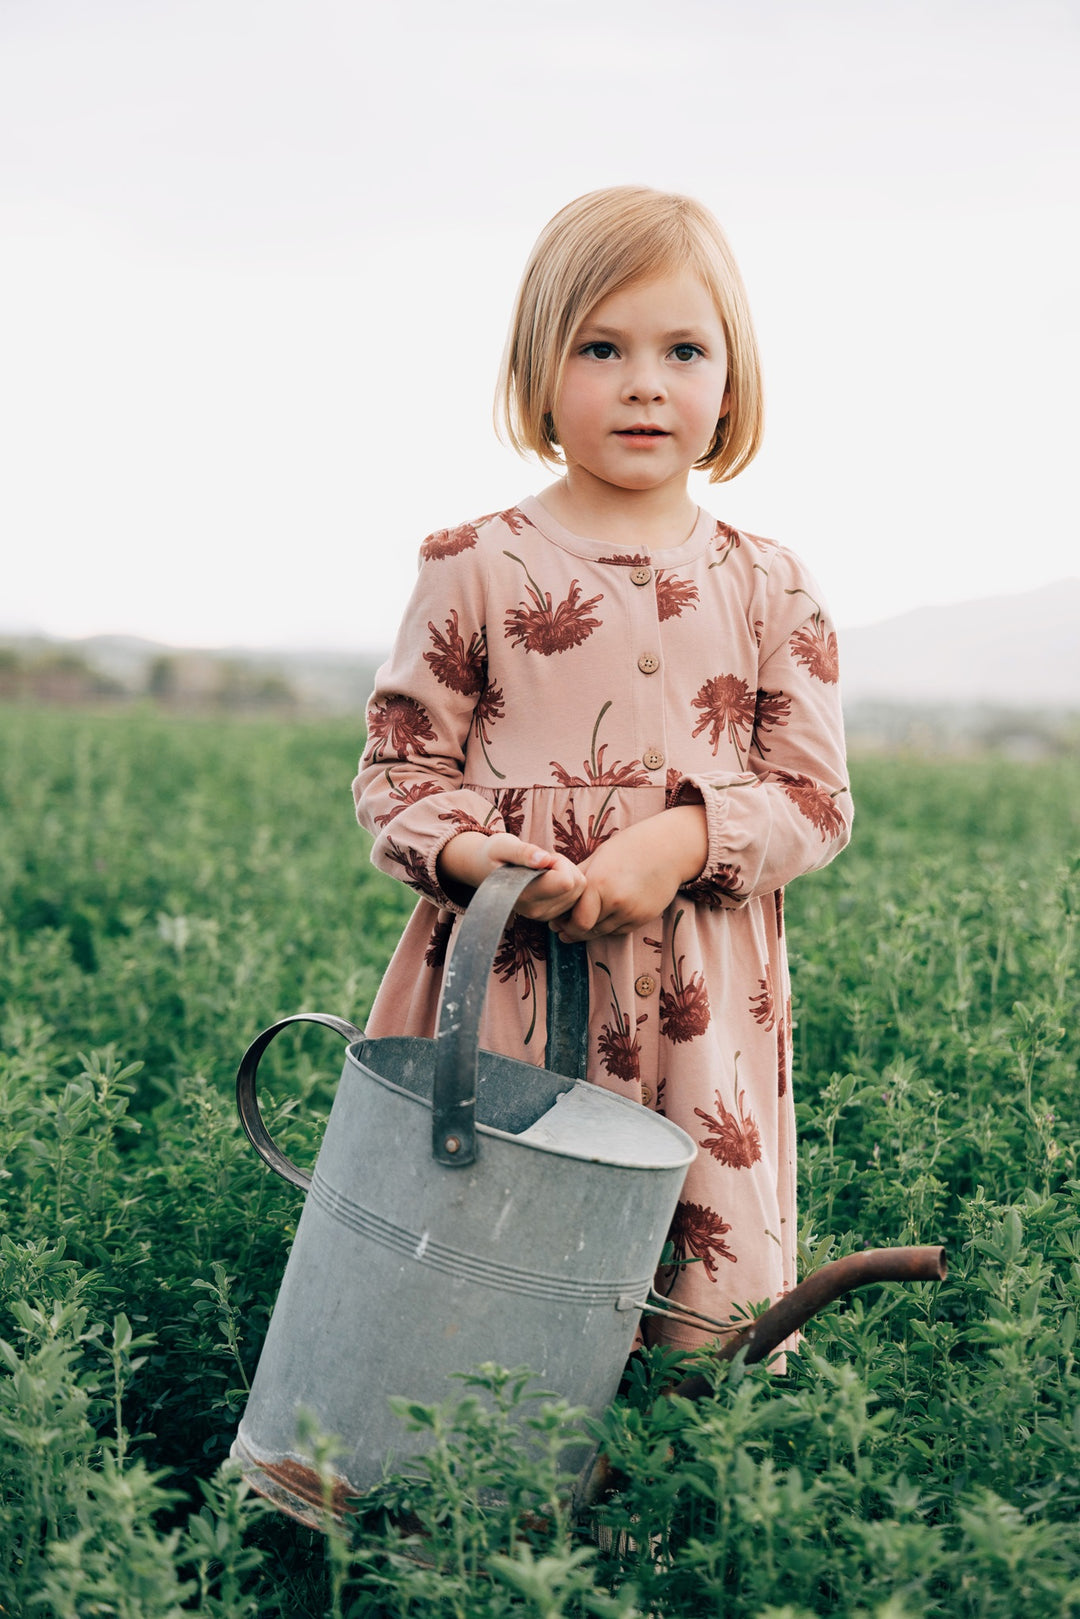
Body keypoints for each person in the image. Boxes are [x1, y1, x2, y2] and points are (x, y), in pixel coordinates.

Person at [352, 185, 851, 1356]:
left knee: (695, 1310)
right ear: (540, 372)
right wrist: (481, 856)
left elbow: (814, 797)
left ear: (731, 382)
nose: (645, 381)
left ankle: (666, 1521)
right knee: (483, 1285)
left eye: (684, 349)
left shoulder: (769, 582)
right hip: (511, 986)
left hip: (701, 1013)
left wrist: (682, 840)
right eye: (602, 346)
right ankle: (475, 1527)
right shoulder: (471, 565)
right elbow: (396, 773)